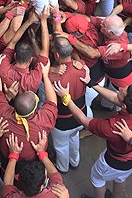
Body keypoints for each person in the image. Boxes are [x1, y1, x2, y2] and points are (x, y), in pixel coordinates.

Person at [55, 80, 132, 198]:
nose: (120, 88)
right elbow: (115, 99)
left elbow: (84, 120)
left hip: (114, 162)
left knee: (97, 178)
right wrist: (92, 83)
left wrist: (66, 98)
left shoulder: (112, 127)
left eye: (123, 91)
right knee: (120, 178)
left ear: (123, 106)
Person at [0, 55, 58, 180]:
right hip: (36, 168)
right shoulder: (42, 120)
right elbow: (52, 102)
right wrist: (45, 75)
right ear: (35, 109)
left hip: (8, 167)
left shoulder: (3, 114)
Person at [47, 36, 88, 172]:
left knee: (61, 146)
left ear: (57, 55)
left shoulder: (54, 78)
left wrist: (50, 69)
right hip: (80, 115)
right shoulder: (82, 67)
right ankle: (75, 161)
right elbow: (81, 61)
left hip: (62, 121)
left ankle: (63, 167)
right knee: (74, 137)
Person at [3, 131, 68, 198]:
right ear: (43, 183)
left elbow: (8, 183)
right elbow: (54, 174)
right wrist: (41, 152)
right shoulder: (56, 193)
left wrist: (14, 155)